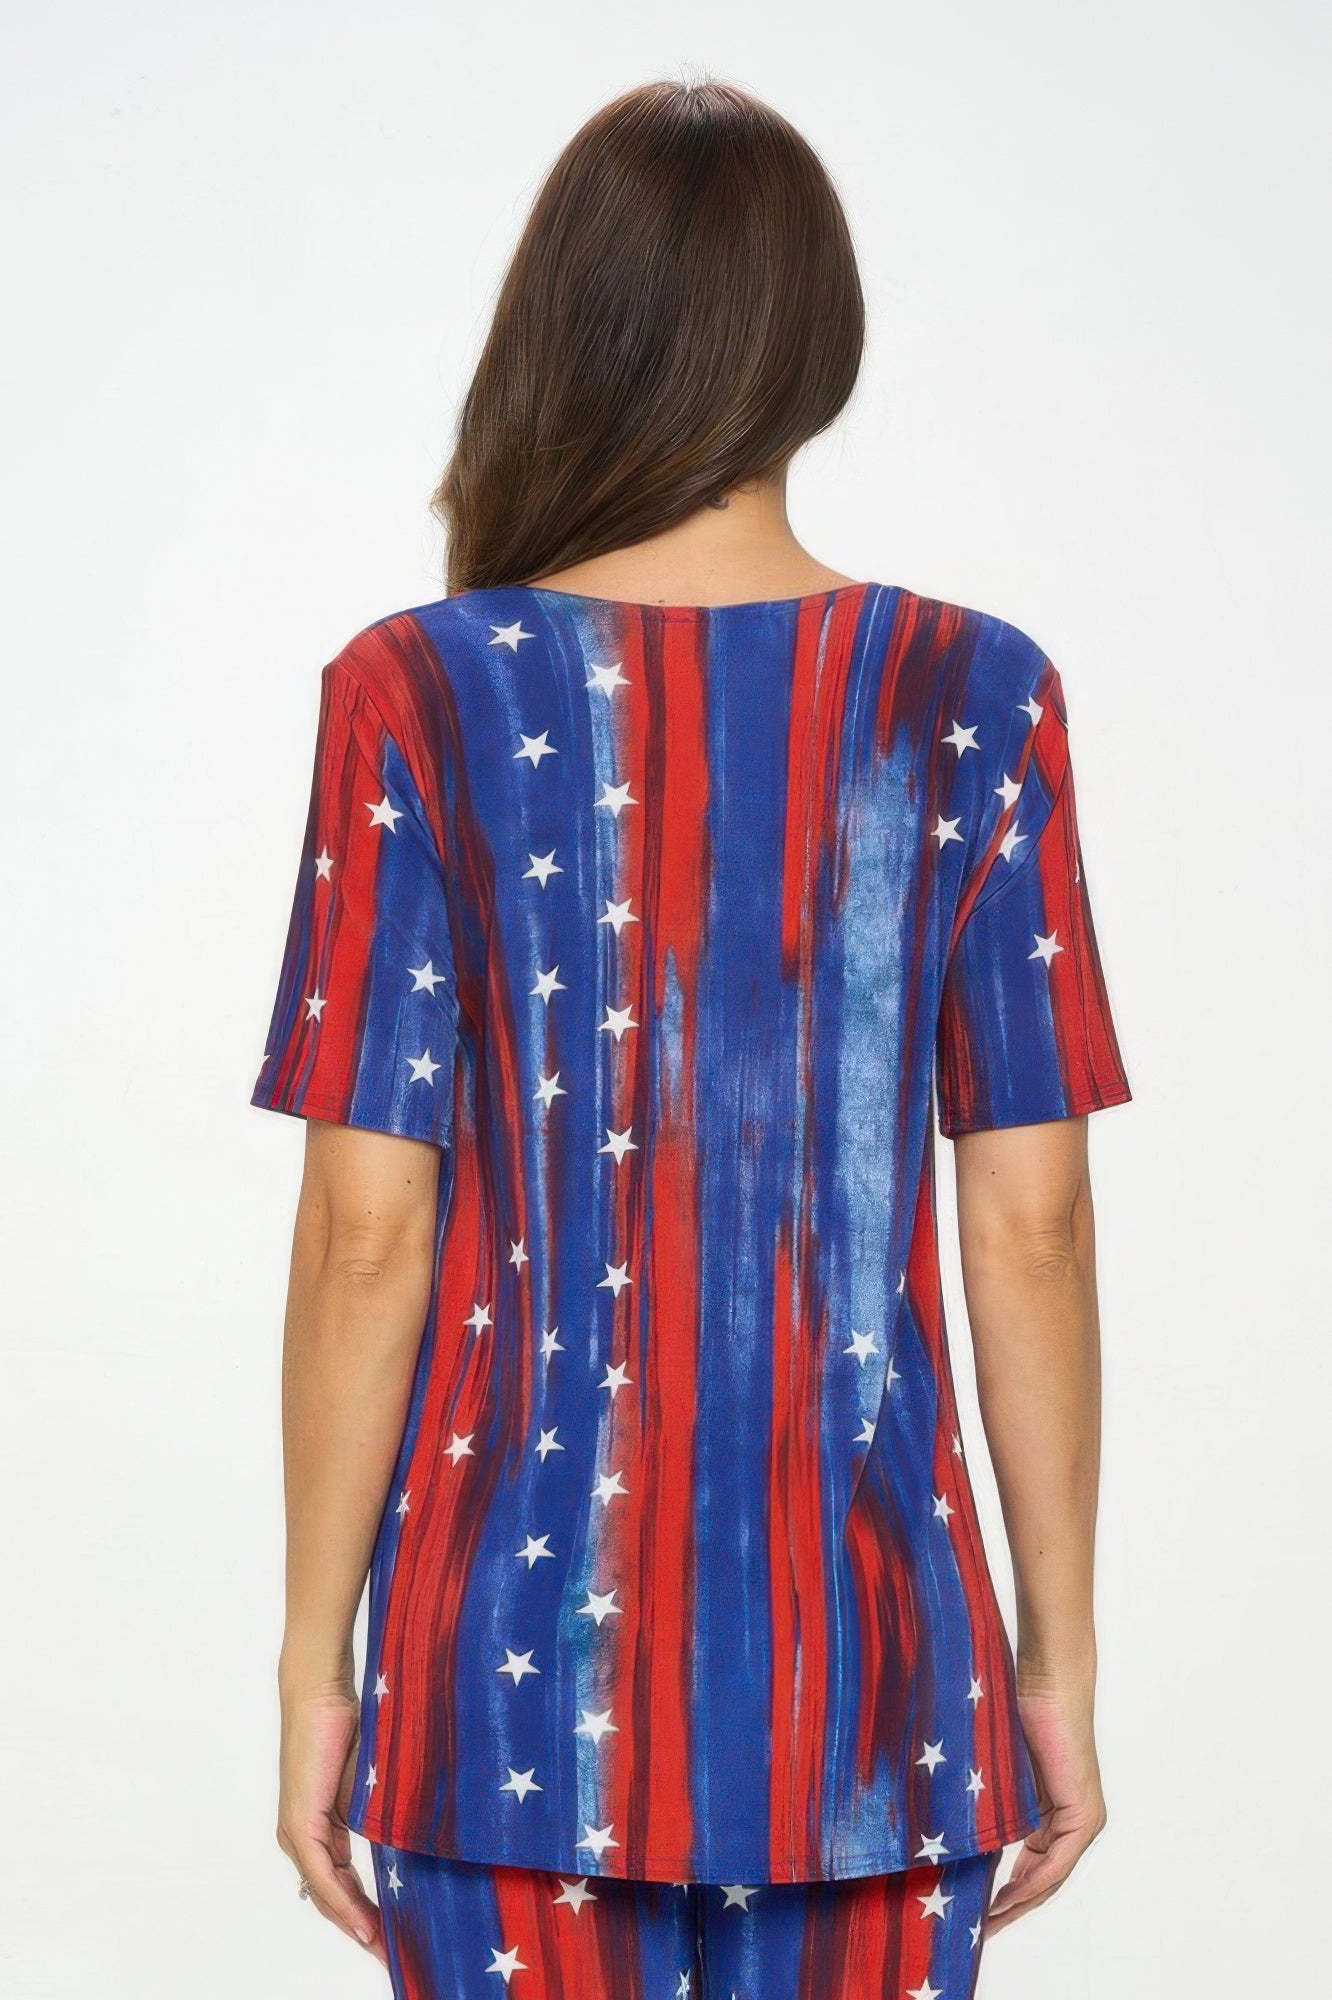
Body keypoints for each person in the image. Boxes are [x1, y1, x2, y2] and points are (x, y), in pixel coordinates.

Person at [251, 77, 1131, 2000]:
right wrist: (1050, 1664)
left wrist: (321, 1672)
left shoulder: (415, 691)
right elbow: (1037, 1228)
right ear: (819, 341)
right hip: (882, 1693)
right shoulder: (976, 691)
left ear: (564, 327)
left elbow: (367, 1235)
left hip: (494, 1701)